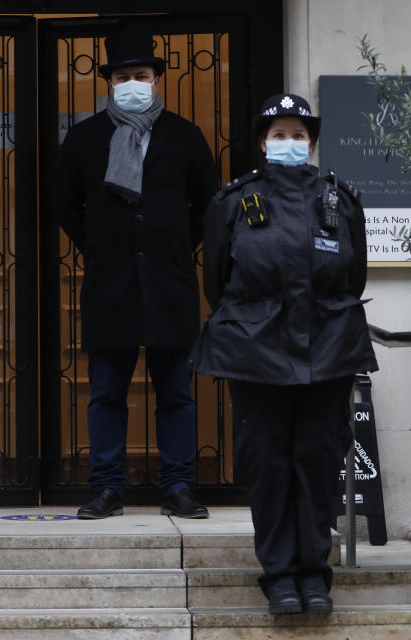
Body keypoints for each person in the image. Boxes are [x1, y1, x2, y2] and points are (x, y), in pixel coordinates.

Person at [190, 93, 378, 614]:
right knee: (269, 463)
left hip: (329, 349)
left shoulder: (340, 199)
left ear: (312, 142)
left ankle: (316, 575)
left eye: (299, 135)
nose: (289, 143)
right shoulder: (234, 201)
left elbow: (353, 273)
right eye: (279, 135)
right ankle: (280, 577)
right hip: (257, 352)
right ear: (262, 144)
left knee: (317, 462)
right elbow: (217, 282)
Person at [56, 31, 217, 520]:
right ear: (109, 82)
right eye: (123, 77)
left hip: (171, 286)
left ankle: (178, 486)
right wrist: (104, 246)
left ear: (156, 80)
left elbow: (207, 205)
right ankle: (106, 487)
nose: (132, 84)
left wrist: (171, 246)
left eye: (140, 77)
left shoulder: (185, 134)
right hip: (111, 285)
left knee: (176, 393)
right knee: (106, 393)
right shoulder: (85, 137)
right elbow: (67, 205)